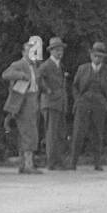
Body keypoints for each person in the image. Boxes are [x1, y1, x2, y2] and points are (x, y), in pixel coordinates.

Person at [71, 42, 107, 170]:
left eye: (100, 56)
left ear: (104, 57)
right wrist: (78, 100)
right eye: (95, 56)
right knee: (78, 133)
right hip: (84, 103)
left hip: (100, 104)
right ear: (91, 56)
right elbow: (75, 86)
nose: (97, 59)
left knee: (97, 134)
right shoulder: (82, 69)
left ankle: (97, 163)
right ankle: (73, 162)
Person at [3, 37, 45, 174]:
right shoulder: (19, 64)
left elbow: (38, 83)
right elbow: (6, 74)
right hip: (23, 101)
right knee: (28, 133)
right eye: (29, 51)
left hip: (34, 100)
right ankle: (28, 165)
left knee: (30, 132)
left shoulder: (36, 66)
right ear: (23, 52)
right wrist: (20, 75)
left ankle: (25, 164)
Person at [38, 36, 70, 170]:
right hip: (50, 103)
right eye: (57, 50)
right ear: (51, 51)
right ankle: (51, 162)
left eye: (61, 50)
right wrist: (47, 90)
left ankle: (59, 161)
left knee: (60, 133)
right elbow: (38, 78)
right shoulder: (46, 65)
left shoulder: (60, 65)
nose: (59, 52)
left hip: (60, 103)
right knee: (51, 133)